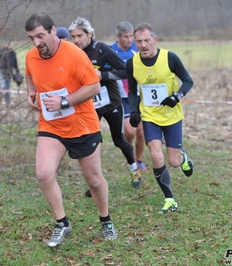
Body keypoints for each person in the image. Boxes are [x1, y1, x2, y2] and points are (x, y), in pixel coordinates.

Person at [24, 12, 118, 247]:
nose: (37, 43)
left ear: (54, 31)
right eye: (31, 38)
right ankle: (62, 222)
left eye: (40, 36)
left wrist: (65, 101)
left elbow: (94, 86)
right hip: (51, 125)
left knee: (94, 180)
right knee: (43, 174)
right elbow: (30, 78)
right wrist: (31, 95)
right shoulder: (31, 57)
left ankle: (105, 219)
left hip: (82, 124)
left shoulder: (74, 54)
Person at [68, 17, 142, 193]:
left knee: (118, 140)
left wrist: (103, 75)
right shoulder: (72, 52)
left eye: (79, 35)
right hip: (89, 105)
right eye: (73, 36)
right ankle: (95, 181)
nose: (76, 40)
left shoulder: (103, 50)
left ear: (90, 34)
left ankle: (134, 169)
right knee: (92, 142)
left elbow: (125, 72)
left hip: (110, 102)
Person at [127, 23, 194, 214]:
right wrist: (134, 111)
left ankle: (184, 157)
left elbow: (188, 81)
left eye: (146, 40)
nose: (143, 45)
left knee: (173, 161)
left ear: (155, 40)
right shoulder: (132, 63)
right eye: (138, 41)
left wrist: (176, 97)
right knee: (156, 154)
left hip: (172, 116)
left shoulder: (169, 57)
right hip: (150, 116)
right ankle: (169, 199)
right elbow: (132, 91)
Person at [110, 21, 148, 172]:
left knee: (141, 132)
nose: (129, 40)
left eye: (131, 36)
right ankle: (129, 154)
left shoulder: (137, 48)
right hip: (121, 97)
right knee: (130, 132)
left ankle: (138, 160)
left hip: (138, 95)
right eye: (126, 37)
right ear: (118, 37)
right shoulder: (110, 51)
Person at [0, 41, 20, 107]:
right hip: (2, 71)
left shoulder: (13, 53)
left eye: (12, 44)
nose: (11, 45)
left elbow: (15, 63)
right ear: (5, 44)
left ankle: (7, 103)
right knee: (3, 86)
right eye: (9, 44)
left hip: (9, 73)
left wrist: (17, 72)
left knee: (7, 89)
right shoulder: (0, 51)